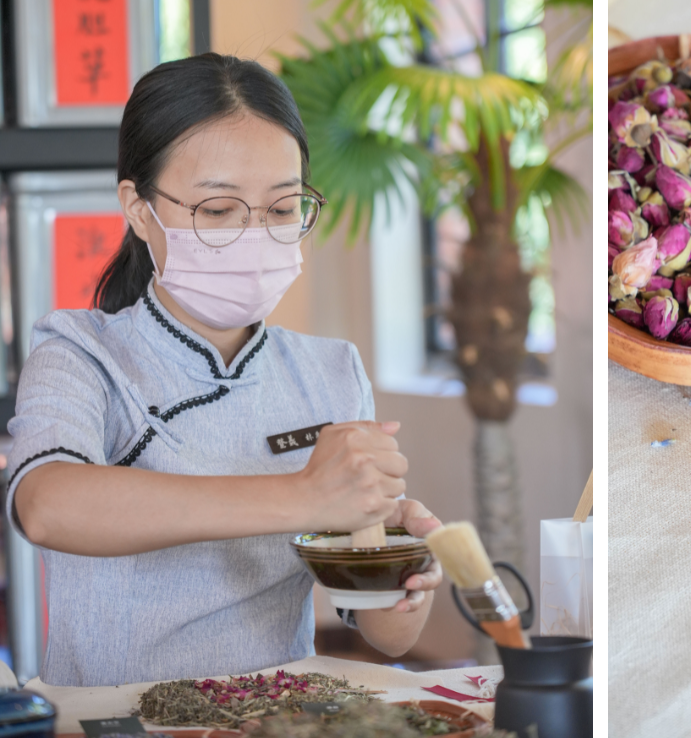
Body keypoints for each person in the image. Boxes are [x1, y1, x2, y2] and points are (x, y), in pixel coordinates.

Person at [5, 53, 442, 687]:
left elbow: (386, 632)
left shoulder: (330, 371)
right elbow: (47, 504)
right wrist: (302, 496)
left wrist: (407, 574)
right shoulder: (80, 351)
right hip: (116, 720)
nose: (255, 235)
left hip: (276, 720)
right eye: (217, 211)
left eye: (282, 208)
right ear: (138, 208)